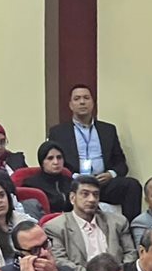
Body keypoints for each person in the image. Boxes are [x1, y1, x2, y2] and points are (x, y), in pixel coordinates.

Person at [47, 85, 142, 221]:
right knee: (63, 192)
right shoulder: (58, 132)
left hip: (103, 182)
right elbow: (55, 163)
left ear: (93, 103)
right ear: (71, 105)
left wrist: (110, 174)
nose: (82, 102)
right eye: (77, 99)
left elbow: (121, 163)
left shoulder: (108, 130)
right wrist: (75, 176)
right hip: (74, 182)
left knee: (132, 185)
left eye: (86, 98)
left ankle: (131, 229)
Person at [44, 176, 137, 271]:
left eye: (95, 195)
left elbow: (131, 253)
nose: (92, 199)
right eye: (85, 194)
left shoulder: (118, 222)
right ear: (72, 198)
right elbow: (60, 261)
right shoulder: (55, 227)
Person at [21, 141, 73, 214]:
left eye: (59, 157)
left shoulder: (71, 183)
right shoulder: (31, 185)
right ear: (42, 162)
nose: (56, 162)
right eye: (50, 158)